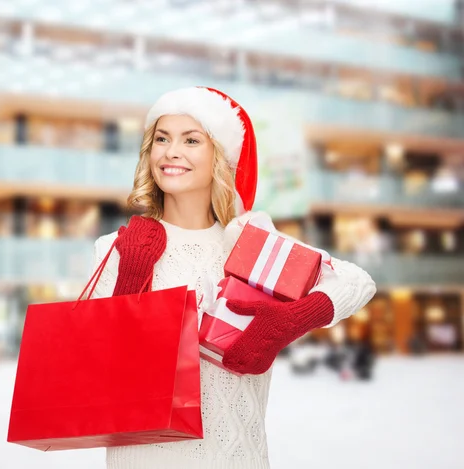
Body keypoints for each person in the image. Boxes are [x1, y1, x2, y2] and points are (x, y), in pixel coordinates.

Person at [91, 87, 376, 469]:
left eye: (191, 140)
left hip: (236, 456)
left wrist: (292, 319)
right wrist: (132, 273)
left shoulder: (248, 243)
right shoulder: (118, 247)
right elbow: (105, 363)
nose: (171, 151)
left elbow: (357, 281)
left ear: (222, 158)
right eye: (162, 139)